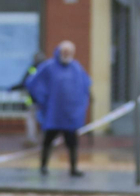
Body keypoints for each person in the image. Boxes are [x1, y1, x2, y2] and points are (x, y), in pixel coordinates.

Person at [27, 41, 91, 177]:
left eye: (69, 52)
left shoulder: (76, 68)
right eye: (64, 52)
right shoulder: (49, 67)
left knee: (72, 142)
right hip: (54, 114)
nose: (67, 55)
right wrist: (42, 100)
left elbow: (86, 86)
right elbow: (33, 83)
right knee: (48, 141)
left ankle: (73, 168)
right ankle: (43, 166)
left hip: (69, 115)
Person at [8, 51, 44, 143]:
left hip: (32, 98)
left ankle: (31, 138)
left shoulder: (32, 68)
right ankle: (46, 139)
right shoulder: (47, 69)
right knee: (43, 118)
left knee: (30, 117)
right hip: (44, 99)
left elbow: (25, 82)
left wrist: (12, 88)